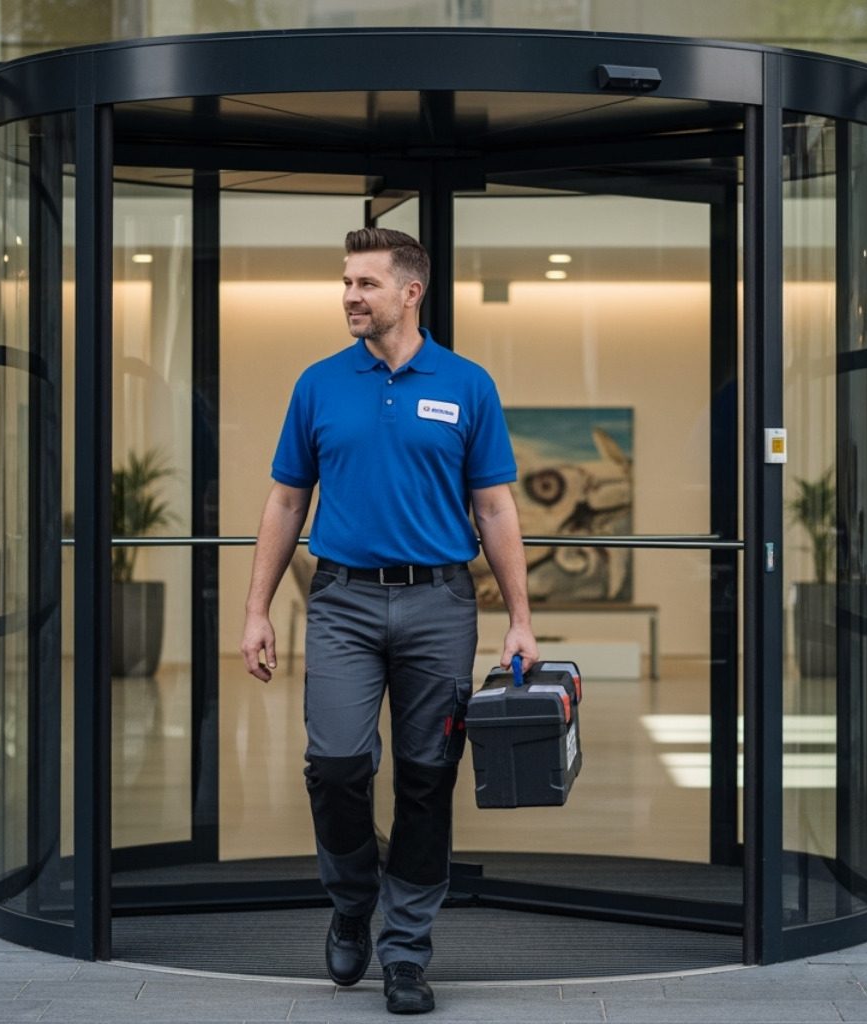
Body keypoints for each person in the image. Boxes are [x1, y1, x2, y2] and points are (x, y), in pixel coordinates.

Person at [240, 227, 538, 1015]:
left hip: (440, 603)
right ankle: (350, 901)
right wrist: (257, 609)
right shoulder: (319, 384)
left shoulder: (467, 385)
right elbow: (286, 501)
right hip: (342, 601)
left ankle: (406, 951)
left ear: (411, 292)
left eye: (365, 284)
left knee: (427, 779)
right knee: (336, 764)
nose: (349, 296)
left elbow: (495, 507)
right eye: (346, 282)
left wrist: (520, 618)